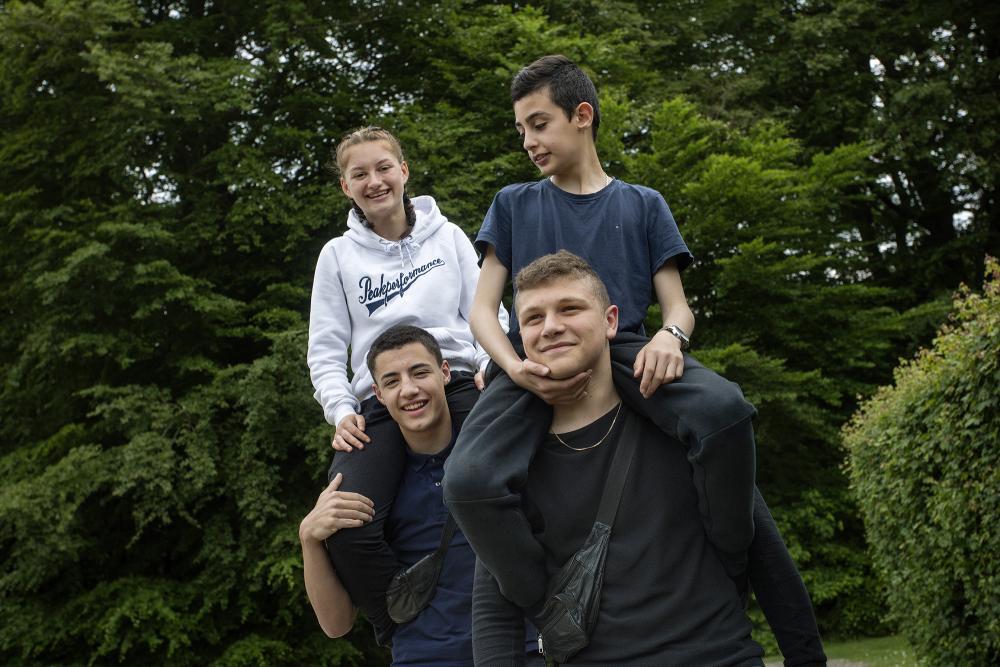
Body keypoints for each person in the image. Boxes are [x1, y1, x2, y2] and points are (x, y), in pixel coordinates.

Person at [443, 56, 826, 664]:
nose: (528, 141)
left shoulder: (643, 204)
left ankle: (730, 552)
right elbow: (483, 310)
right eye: (520, 130)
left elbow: (678, 306)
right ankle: (547, 603)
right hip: (531, 365)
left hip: (629, 352)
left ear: (582, 115)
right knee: (465, 480)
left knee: (723, 412)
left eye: (538, 124)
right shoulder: (513, 203)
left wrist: (671, 337)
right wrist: (512, 367)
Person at [471, 252, 768, 664]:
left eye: (569, 308)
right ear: (519, 338)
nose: (551, 326)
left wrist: (806, 656)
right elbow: (495, 600)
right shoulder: (509, 462)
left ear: (611, 320)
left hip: (719, 654)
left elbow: (761, 543)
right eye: (534, 318)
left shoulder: (679, 424)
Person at [307, 126, 507, 643]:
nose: (374, 181)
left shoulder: (449, 236)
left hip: (456, 380)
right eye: (359, 174)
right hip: (380, 399)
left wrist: (493, 364)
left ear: (403, 171)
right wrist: (341, 411)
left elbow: (486, 312)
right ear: (346, 187)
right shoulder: (337, 256)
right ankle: (398, 619)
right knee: (346, 525)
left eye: (383, 168)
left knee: (517, 477)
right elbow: (325, 350)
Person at [300, 325, 538, 665]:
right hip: (421, 657)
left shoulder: (500, 459)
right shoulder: (372, 490)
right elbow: (336, 625)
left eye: (420, 372)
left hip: (517, 651)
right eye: (392, 381)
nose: (409, 390)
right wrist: (309, 539)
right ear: (378, 395)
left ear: (445, 373)